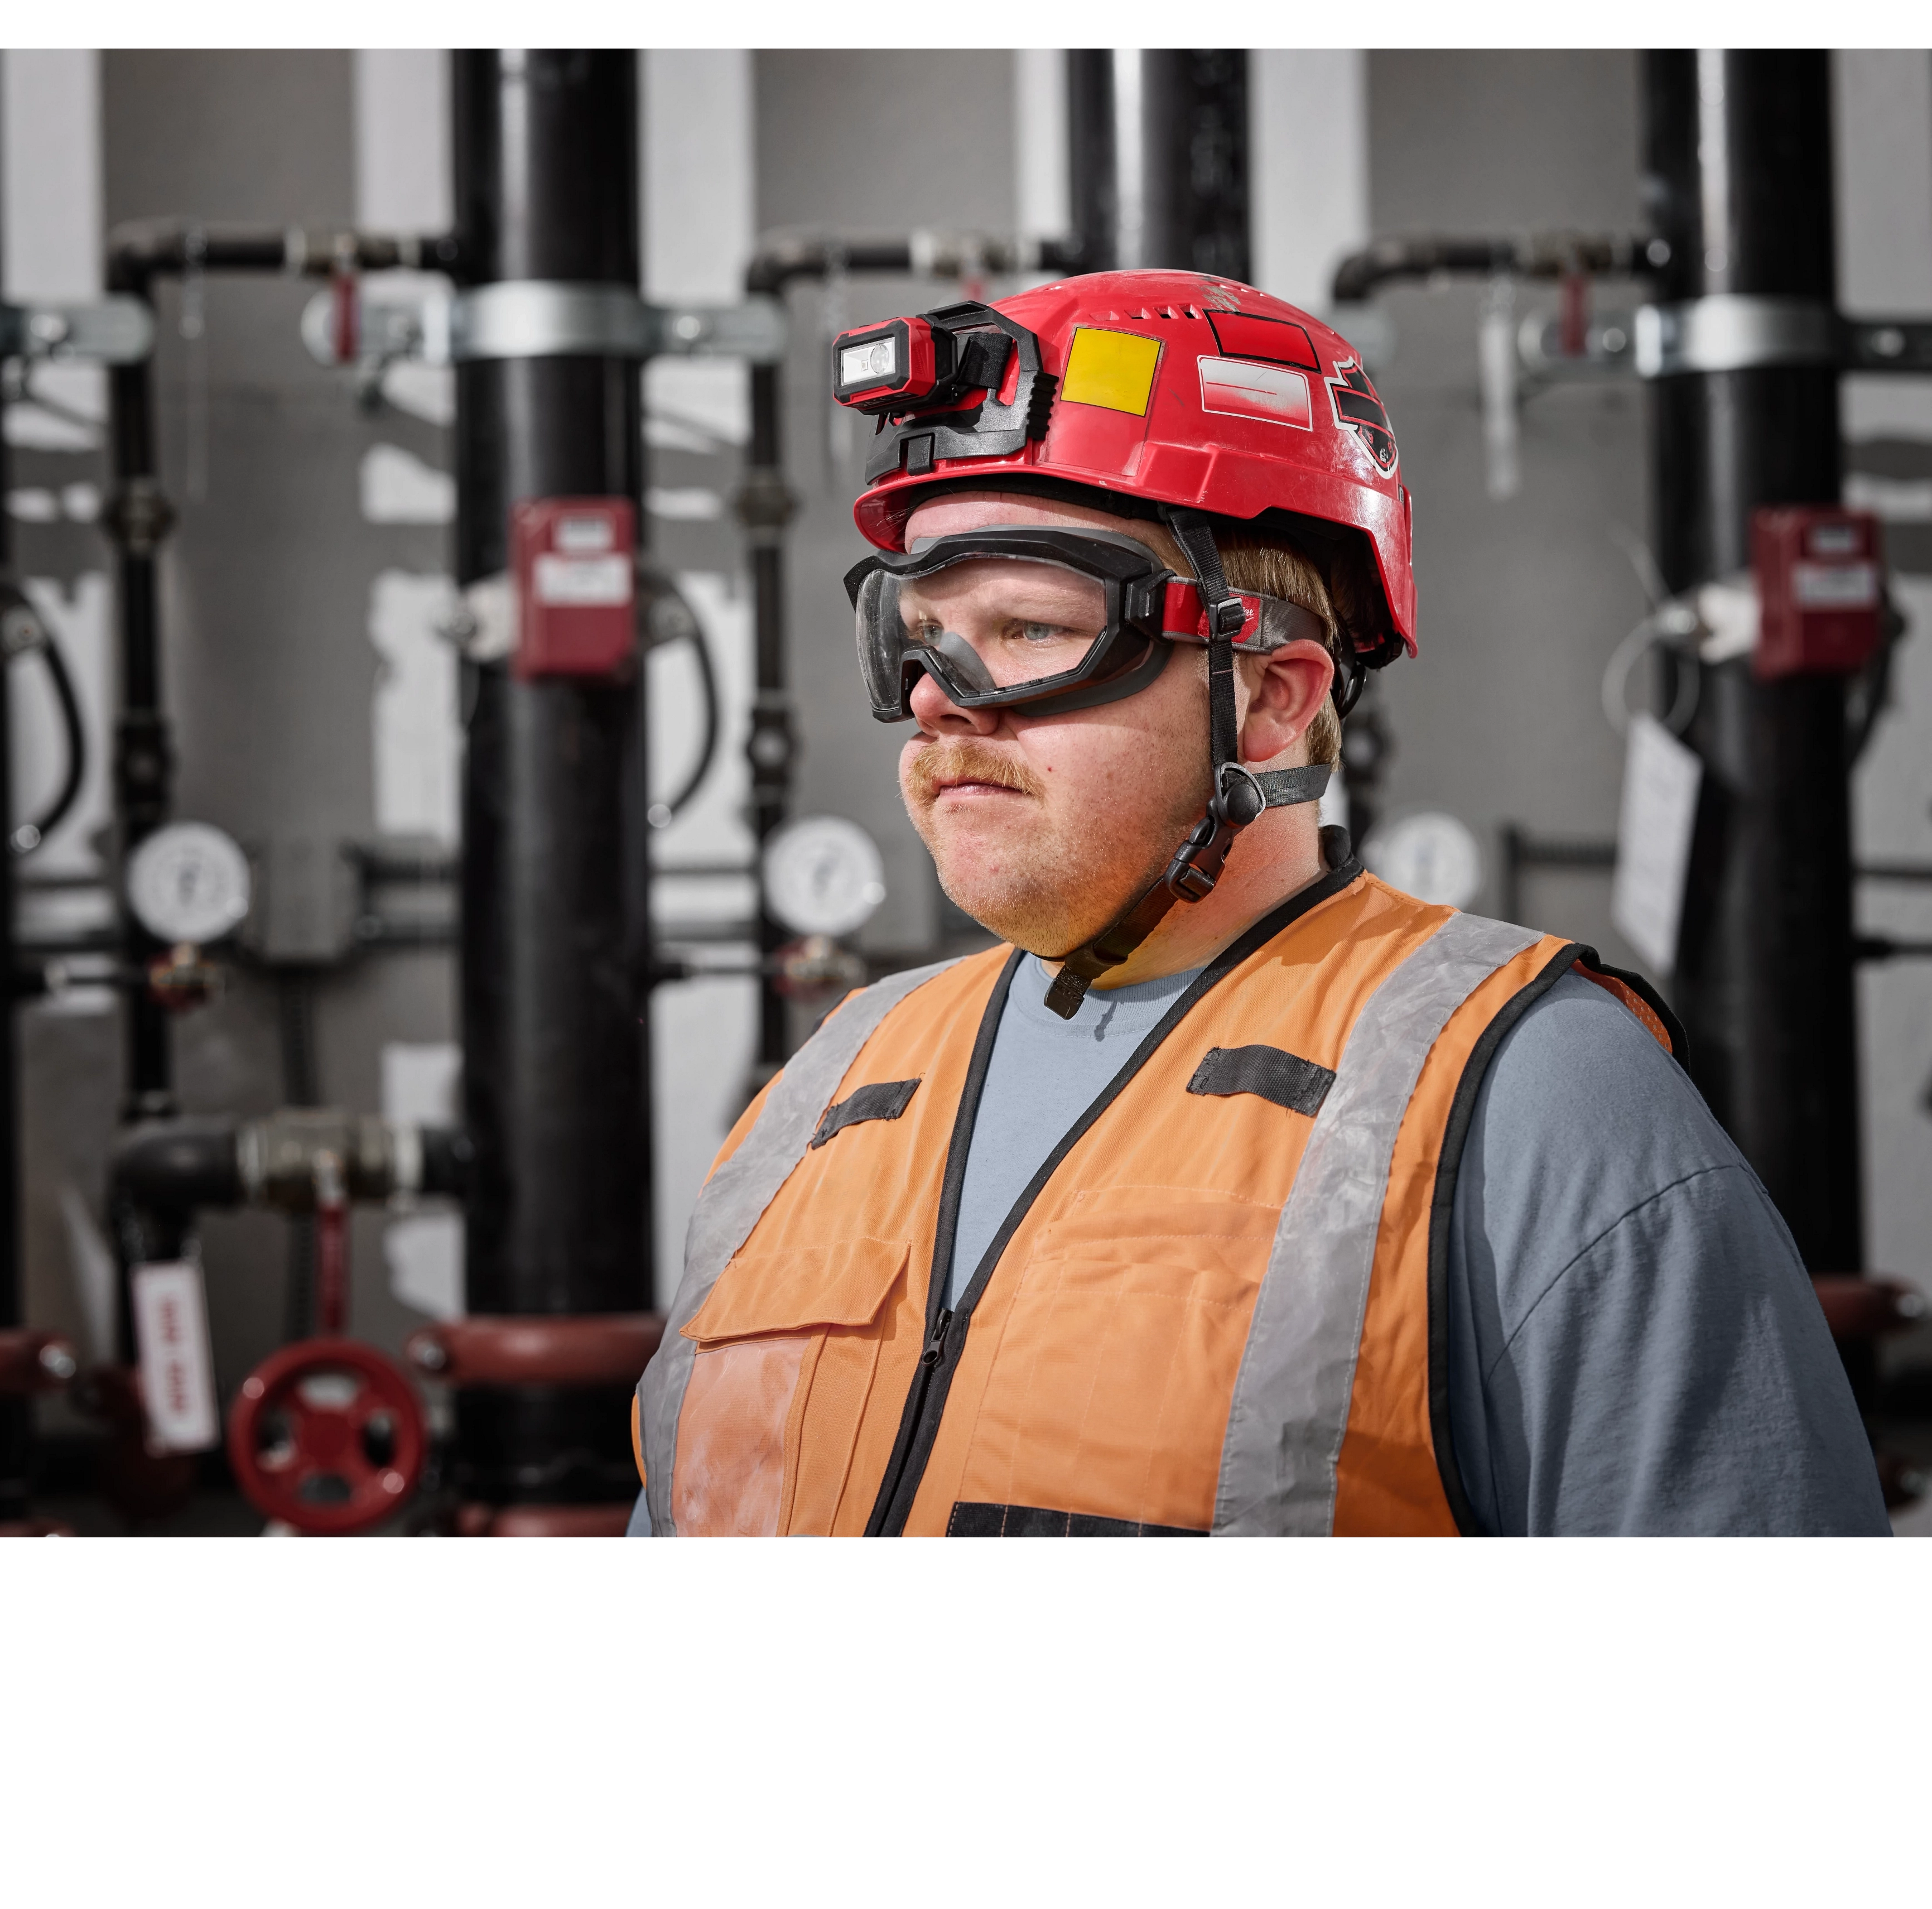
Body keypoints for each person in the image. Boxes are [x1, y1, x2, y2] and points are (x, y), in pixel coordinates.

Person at [628, 270, 1885, 1538]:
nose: (939, 695)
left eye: (1025, 628)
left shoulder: (1531, 1099)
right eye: (915, 631)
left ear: (1276, 698)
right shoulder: (827, 1088)